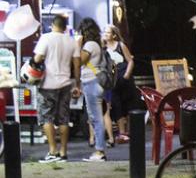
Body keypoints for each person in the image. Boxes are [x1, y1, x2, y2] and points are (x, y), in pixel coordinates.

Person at [33, 14, 79, 163]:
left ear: (52, 25)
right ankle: (63, 152)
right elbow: (77, 64)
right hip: (65, 83)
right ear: (65, 27)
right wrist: (77, 84)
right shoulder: (72, 41)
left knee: (47, 117)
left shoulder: (46, 38)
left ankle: (52, 151)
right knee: (64, 119)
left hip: (47, 84)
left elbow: (37, 59)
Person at [75, 18, 108, 162]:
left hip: (92, 82)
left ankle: (100, 151)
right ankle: (99, 149)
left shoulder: (90, 45)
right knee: (95, 117)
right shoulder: (97, 44)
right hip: (95, 83)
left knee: (96, 118)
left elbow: (79, 61)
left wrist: (77, 45)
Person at [103, 25, 136, 144]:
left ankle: (128, 132)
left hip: (123, 78)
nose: (105, 34)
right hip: (112, 81)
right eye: (104, 32)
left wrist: (127, 74)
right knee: (116, 105)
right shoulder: (103, 48)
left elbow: (130, 60)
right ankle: (122, 133)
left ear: (114, 35)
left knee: (127, 104)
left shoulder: (120, 46)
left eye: (108, 33)